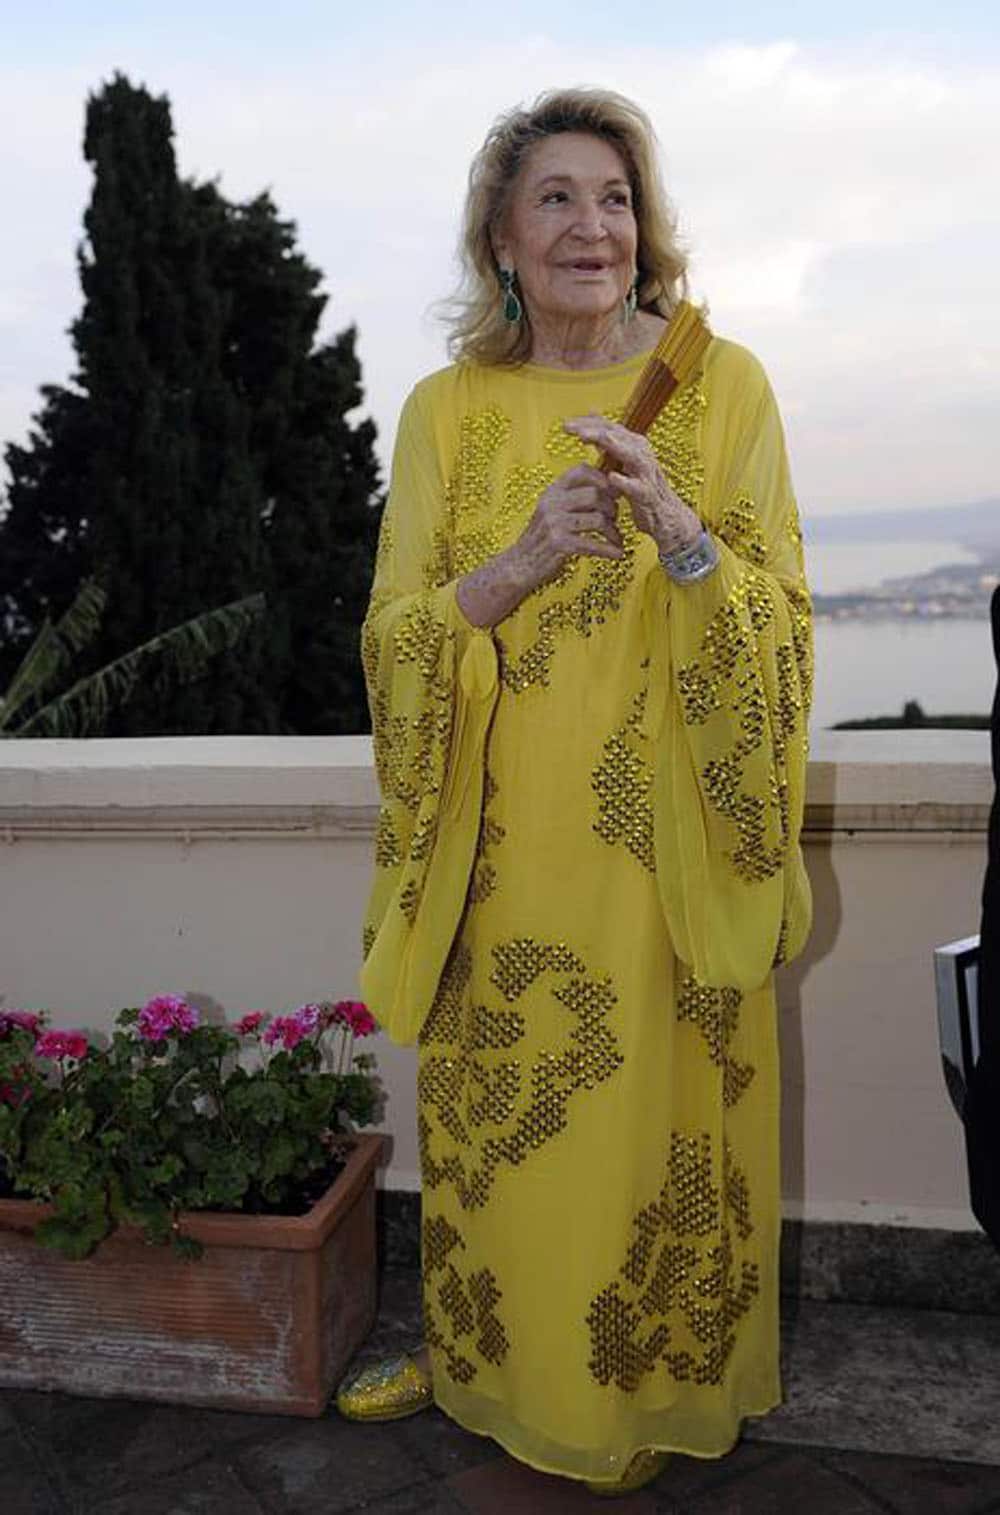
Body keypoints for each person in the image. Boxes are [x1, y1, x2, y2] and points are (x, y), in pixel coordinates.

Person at [339, 87, 813, 1497]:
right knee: (515, 1159)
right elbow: (393, 635)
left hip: (671, 867)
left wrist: (678, 533)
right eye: (554, 198)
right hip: (502, 863)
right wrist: (524, 560)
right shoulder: (447, 412)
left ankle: (659, 1389)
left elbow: (783, 626)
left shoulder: (726, 390)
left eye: (613, 197)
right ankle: (500, 1375)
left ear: (645, 227)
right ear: (500, 234)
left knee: (658, 1150)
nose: (589, 226)